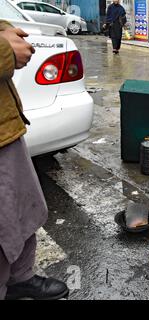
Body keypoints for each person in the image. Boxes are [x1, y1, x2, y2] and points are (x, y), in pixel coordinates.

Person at [0, 20, 69, 300]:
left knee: (22, 210)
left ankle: (20, 279)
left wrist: (4, 29)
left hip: (6, 127)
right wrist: (4, 50)